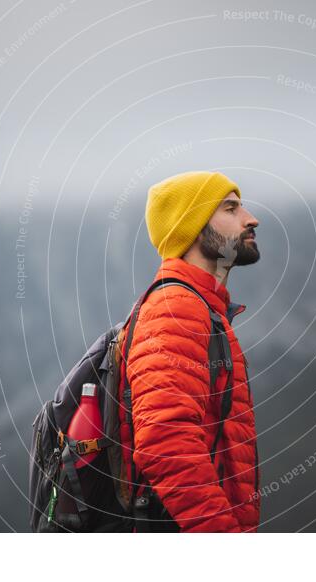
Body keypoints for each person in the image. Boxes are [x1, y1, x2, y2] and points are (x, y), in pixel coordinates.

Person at [118, 170, 261, 532]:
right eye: (231, 209)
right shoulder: (176, 307)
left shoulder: (202, 307)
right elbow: (164, 439)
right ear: (194, 227)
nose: (250, 219)